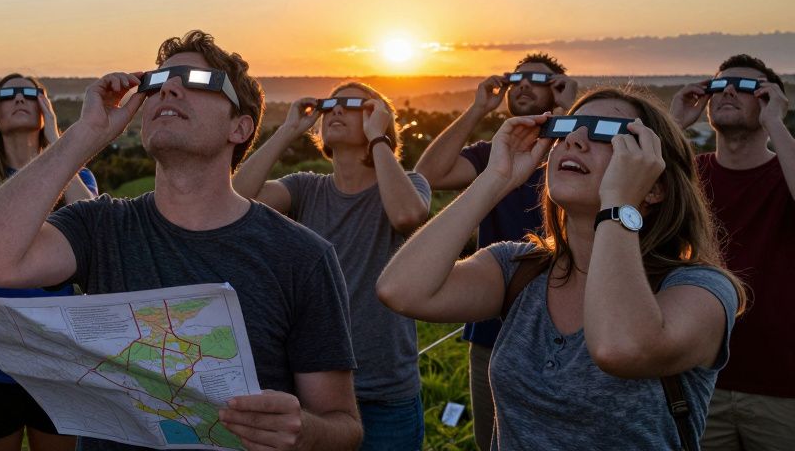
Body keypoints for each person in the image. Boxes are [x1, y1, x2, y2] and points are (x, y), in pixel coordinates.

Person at [0, 30, 363, 451]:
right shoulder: (102, 226)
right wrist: (83, 135)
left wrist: (303, 431)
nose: (168, 87)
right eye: (157, 82)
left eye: (197, 81)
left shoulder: (302, 256)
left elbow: (344, 426)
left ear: (239, 127)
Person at [378, 87, 743, 450]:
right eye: (568, 127)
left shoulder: (701, 289)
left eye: (605, 132)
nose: (576, 140)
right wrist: (496, 179)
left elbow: (620, 348)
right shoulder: (518, 269)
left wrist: (618, 203)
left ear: (655, 185)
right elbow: (401, 290)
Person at [233, 83, 430, 451]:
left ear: (378, 120)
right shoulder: (306, 189)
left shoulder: (409, 185)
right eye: (331, 104)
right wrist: (288, 130)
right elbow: (235, 199)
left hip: (385, 394)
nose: (337, 109)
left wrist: (379, 140)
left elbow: (406, 216)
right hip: (316, 391)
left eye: (354, 104)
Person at [412, 52, 575, 448]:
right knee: (493, 441)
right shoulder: (492, 155)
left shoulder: (576, 154)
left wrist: (570, 112)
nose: (521, 85)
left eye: (536, 79)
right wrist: (477, 108)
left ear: (556, 89)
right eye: (515, 78)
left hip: (570, 328)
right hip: (493, 329)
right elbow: (428, 175)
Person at [0, 73, 97, 451]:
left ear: (44, 109)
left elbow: (94, 222)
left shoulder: (77, 177)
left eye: (31, 93)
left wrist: (59, 142)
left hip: (59, 357)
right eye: (7, 95)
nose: (20, 99)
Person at [671, 54, 794, 451]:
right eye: (718, 84)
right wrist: (673, 126)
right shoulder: (690, 177)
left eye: (746, 87)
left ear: (771, 99)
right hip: (701, 379)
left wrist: (776, 123)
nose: (727, 90)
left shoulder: (785, 174)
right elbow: (627, 196)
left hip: (783, 385)